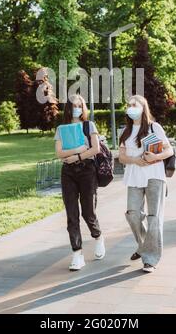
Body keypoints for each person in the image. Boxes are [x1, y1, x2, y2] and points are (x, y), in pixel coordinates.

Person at [119, 95, 173, 273]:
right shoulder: (125, 131)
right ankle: (144, 246)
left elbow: (169, 149)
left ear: (143, 107)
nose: (131, 108)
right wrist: (135, 160)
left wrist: (155, 157)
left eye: (135, 105)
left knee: (153, 218)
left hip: (154, 176)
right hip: (134, 177)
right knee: (133, 214)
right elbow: (121, 157)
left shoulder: (154, 127)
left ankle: (150, 259)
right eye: (129, 105)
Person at [54, 94, 105, 271]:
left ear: (83, 107)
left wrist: (76, 155)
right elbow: (59, 153)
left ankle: (98, 237)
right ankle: (77, 254)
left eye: (79, 105)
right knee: (72, 215)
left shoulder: (88, 125)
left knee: (88, 212)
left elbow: (96, 149)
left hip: (87, 171)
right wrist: (79, 150)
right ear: (68, 108)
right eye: (73, 105)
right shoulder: (61, 128)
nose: (76, 108)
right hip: (68, 172)